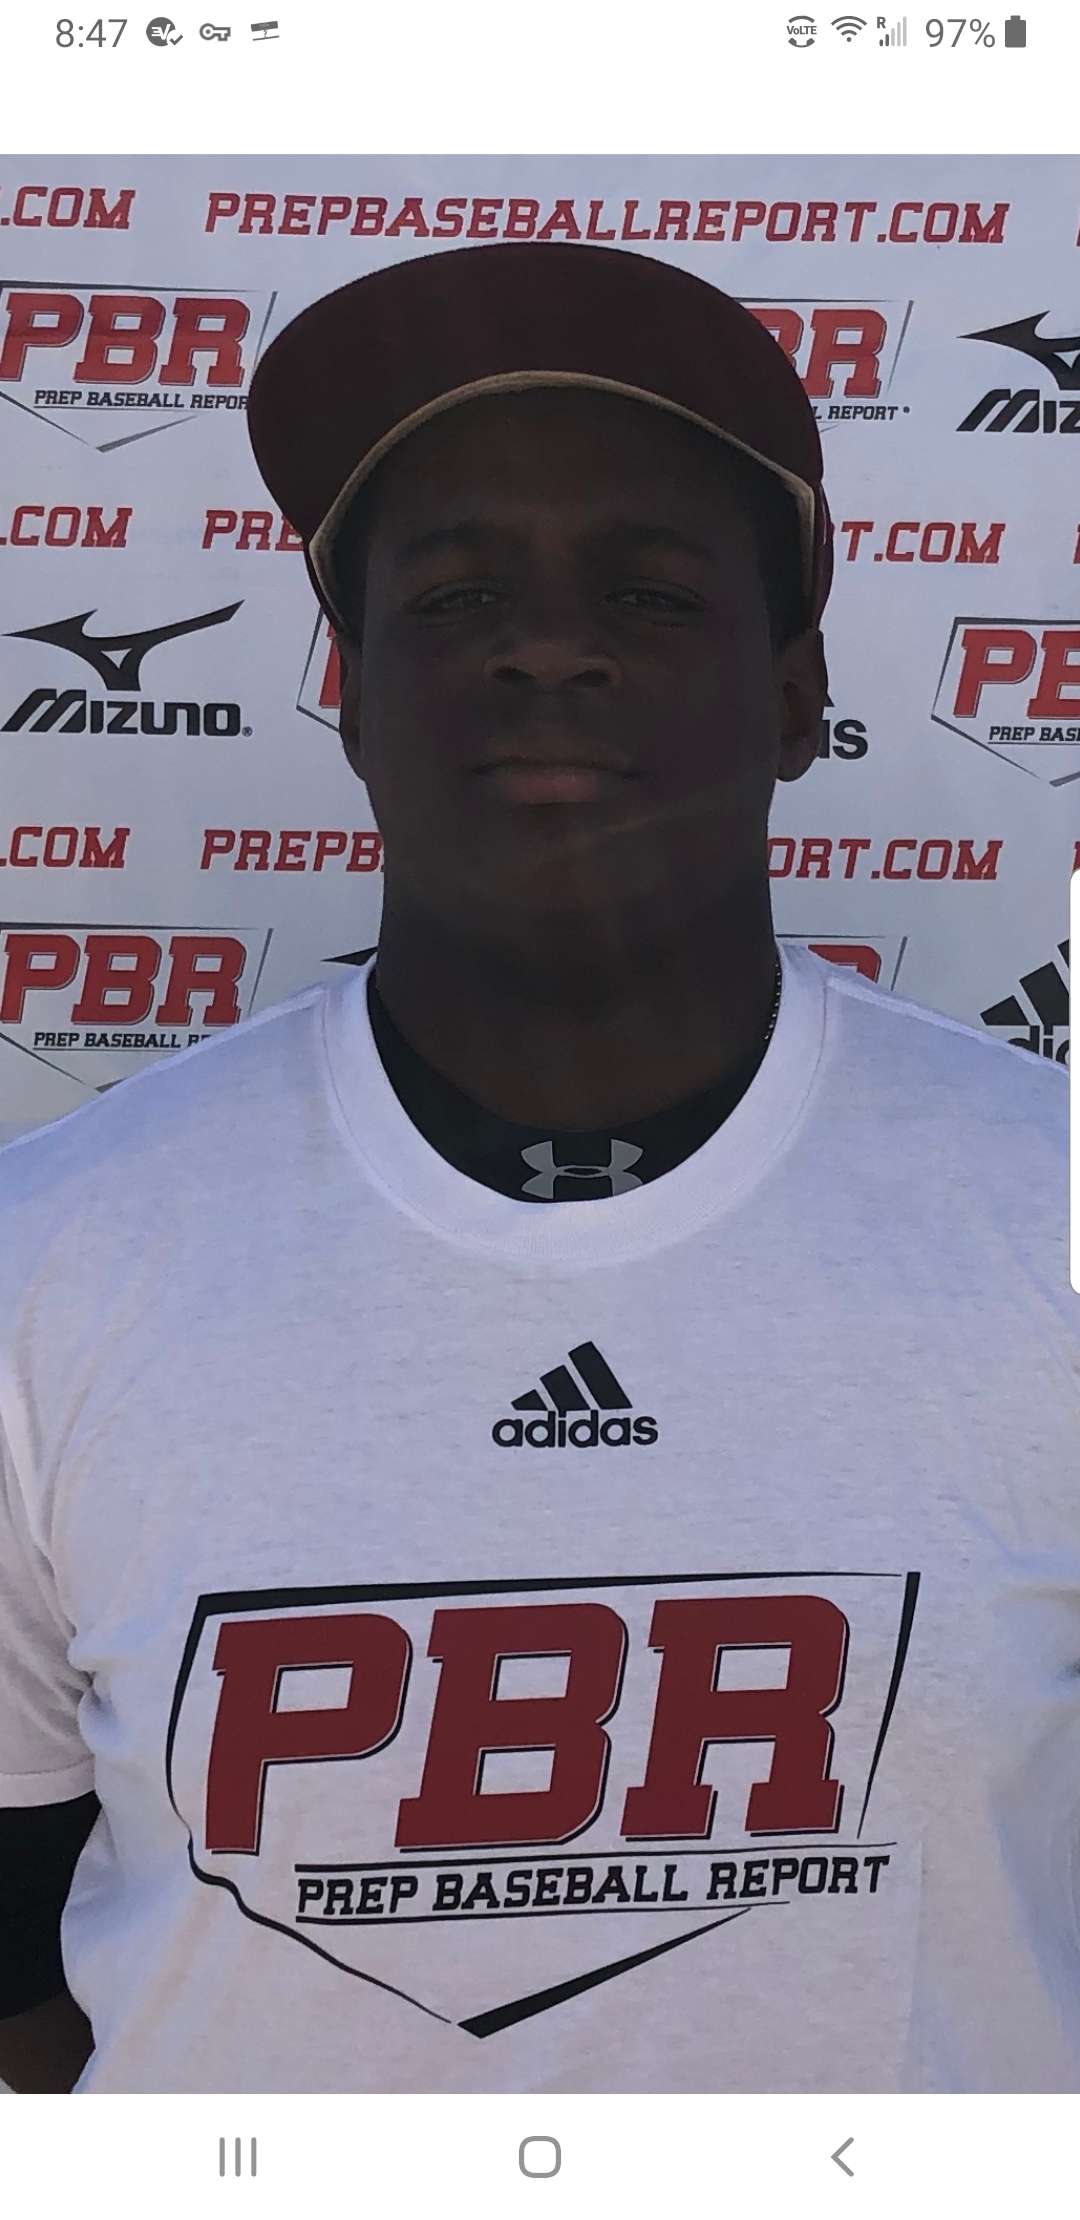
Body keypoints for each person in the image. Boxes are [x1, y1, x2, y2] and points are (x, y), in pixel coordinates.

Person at [0, 241, 1074, 2098]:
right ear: (348, 695)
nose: (548, 646)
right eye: (459, 592)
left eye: (649, 591)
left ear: (800, 692)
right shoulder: (54, 1255)